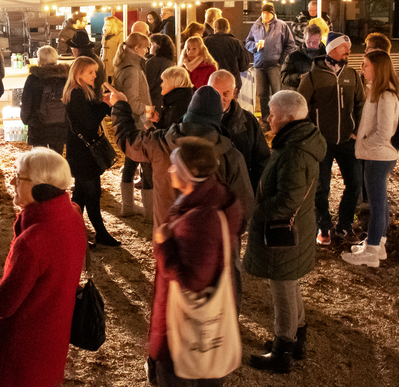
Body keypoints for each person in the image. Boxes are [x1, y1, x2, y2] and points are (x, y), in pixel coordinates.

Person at [149, 136, 243, 387]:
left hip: (185, 332)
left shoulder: (199, 219)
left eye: (174, 166)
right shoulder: (217, 197)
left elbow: (193, 280)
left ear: (188, 173)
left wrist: (164, 245)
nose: (170, 170)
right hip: (206, 332)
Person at [0, 148, 87, 387]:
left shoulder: (34, 241)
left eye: (18, 176)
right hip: (53, 338)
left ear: (41, 187)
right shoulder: (72, 214)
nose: (11, 181)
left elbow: (3, 305)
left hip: (23, 350)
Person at [244, 90, 325, 374]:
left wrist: (259, 210)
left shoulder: (293, 152)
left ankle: (282, 350)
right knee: (289, 283)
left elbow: (288, 199)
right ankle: (297, 336)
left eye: (273, 114)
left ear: (288, 118)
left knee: (282, 288)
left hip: (285, 231)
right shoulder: (300, 142)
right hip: (298, 227)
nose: (269, 119)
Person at [110, 85, 254, 235]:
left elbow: (128, 140)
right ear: (218, 118)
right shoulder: (231, 156)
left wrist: (120, 106)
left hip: (169, 245)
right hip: (213, 250)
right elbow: (244, 210)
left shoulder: (160, 142)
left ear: (189, 113)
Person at [298, 32, 364, 246]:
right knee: (321, 188)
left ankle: (344, 226)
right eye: (345, 47)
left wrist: (356, 131)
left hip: (347, 140)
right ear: (332, 49)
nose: (349, 51)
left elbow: (361, 104)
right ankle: (323, 227)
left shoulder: (352, 75)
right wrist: (310, 134)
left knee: (354, 184)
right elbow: (301, 107)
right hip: (322, 142)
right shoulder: (312, 77)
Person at [342, 51, 399, 267]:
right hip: (377, 153)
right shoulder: (378, 93)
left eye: (365, 65)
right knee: (380, 203)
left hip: (378, 155)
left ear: (377, 68)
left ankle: (373, 249)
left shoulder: (385, 95)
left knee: (377, 204)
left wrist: (364, 144)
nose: (362, 69)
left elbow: (384, 132)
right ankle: (377, 243)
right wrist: (361, 137)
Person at [64, 57, 120, 247]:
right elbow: (88, 123)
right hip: (82, 153)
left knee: (80, 196)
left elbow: (86, 117)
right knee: (92, 194)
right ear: (79, 73)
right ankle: (100, 233)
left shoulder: (79, 92)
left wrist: (100, 104)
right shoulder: (76, 94)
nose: (95, 75)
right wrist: (105, 106)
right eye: (91, 72)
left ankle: (72, 233)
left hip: (80, 151)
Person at [114, 32, 154, 218]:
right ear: (137, 49)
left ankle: (128, 206)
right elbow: (133, 102)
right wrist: (150, 115)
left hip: (130, 123)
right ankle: (149, 211)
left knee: (130, 163)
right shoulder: (132, 69)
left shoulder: (124, 65)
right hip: (138, 124)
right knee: (146, 166)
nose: (147, 50)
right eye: (145, 47)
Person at [209, 70, 270, 190]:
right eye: (215, 93)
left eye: (225, 93)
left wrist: (251, 190)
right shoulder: (198, 120)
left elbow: (262, 160)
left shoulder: (248, 121)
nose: (220, 99)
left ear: (234, 92)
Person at [246, 3, 297, 129]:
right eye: (263, 13)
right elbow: (248, 42)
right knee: (262, 94)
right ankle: (265, 121)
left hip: (275, 65)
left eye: (267, 13)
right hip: (259, 65)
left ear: (272, 14)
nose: (264, 15)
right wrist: (255, 46)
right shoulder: (256, 26)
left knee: (277, 94)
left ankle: (279, 120)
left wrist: (281, 60)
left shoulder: (281, 26)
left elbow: (290, 45)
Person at [20, 46, 69, 153]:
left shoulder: (34, 78)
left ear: (40, 59)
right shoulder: (64, 77)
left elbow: (27, 101)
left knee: (39, 156)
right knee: (57, 155)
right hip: (60, 124)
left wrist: (26, 119)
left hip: (38, 124)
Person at [204, 18, 252, 90]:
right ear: (228, 28)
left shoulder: (205, 42)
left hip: (211, 82)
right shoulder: (237, 43)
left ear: (215, 28)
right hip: (232, 83)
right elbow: (244, 66)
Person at [281, 23, 326, 91]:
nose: (311, 45)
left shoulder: (327, 56)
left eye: (315, 42)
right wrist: (300, 77)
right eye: (309, 41)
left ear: (320, 39)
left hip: (321, 93)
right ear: (304, 39)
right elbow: (284, 78)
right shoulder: (293, 57)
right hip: (301, 94)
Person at [146, 34, 177, 111]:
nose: (150, 47)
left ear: (157, 46)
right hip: (166, 100)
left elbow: (147, 83)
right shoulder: (171, 62)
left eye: (152, 44)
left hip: (152, 101)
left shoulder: (152, 62)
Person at [101, 15, 124, 81]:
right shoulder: (106, 35)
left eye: (108, 25)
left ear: (114, 26)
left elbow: (121, 53)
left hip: (114, 68)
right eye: (105, 25)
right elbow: (102, 50)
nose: (105, 27)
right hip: (104, 68)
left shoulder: (120, 35)